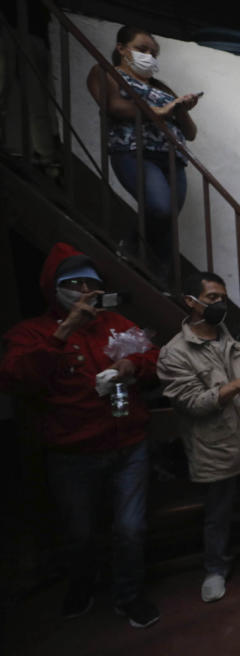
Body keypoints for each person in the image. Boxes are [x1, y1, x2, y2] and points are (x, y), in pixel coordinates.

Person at [0, 243, 160, 628]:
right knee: (79, 532)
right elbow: (16, 378)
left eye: (91, 284)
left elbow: (155, 360)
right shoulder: (31, 332)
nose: (85, 291)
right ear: (54, 288)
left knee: (130, 529)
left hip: (127, 445)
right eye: (74, 284)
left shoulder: (117, 324)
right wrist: (64, 330)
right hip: (72, 453)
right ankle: (83, 584)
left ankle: (129, 594)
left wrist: (130, 366)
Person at [157, 271, 240, 603]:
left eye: (223, 297)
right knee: (218, 512)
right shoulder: (175, 353)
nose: (220, 304)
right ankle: (216, 568)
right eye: (213, 298)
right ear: (191, 302)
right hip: (218, 446)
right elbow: (194, 404)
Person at [86, 25, 200, 271]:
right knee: (159, 207)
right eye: (141, 49)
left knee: (167, 220)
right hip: (134, 151)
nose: (149, 56)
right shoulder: (106, 72)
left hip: (173, 158)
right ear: (121, 49)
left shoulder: (162, 87)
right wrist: (160, 111)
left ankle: (161, 276)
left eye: (153, 53)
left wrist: (180, 108)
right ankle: (130, 246)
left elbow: (190, 133)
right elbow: (113, 106)